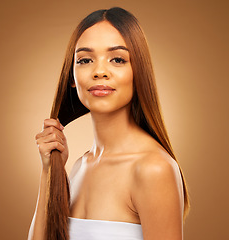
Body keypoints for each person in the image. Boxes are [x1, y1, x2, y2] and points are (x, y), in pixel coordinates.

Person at [28, 7, 189, 240]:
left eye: (117, 59)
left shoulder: (153, 169)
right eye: (85, 60)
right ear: (72, 78)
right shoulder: (79, 166)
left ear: (138, 71)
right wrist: (49, 170)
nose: (99, 71)